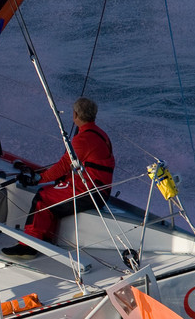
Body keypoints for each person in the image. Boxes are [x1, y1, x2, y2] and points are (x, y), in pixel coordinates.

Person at [7, 97, 115, 257]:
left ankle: (28, 246)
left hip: (90, 191)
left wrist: (37, 179)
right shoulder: (100, 134)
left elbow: (64, 165)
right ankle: (45, 237)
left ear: (75, 115)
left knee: (42, 197)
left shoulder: (83, 139)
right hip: (98, 189)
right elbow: (71, 165)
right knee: (53, 190)